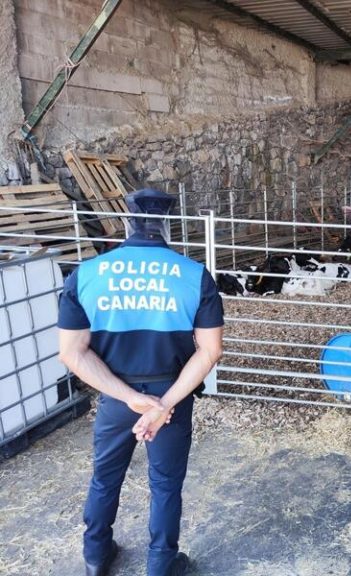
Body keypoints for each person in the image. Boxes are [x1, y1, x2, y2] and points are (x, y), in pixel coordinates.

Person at [57, 189, 224, 576]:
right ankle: (161, 564)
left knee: (105, 475)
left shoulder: (86, 274)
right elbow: (211, 351)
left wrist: (130, 397)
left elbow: (72, 352)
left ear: (126, 221)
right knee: (165, 484)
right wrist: (162, 405)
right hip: (173, 395)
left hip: (117, 397)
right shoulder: (195, 275)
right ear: (168, 224)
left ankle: (96, 556)